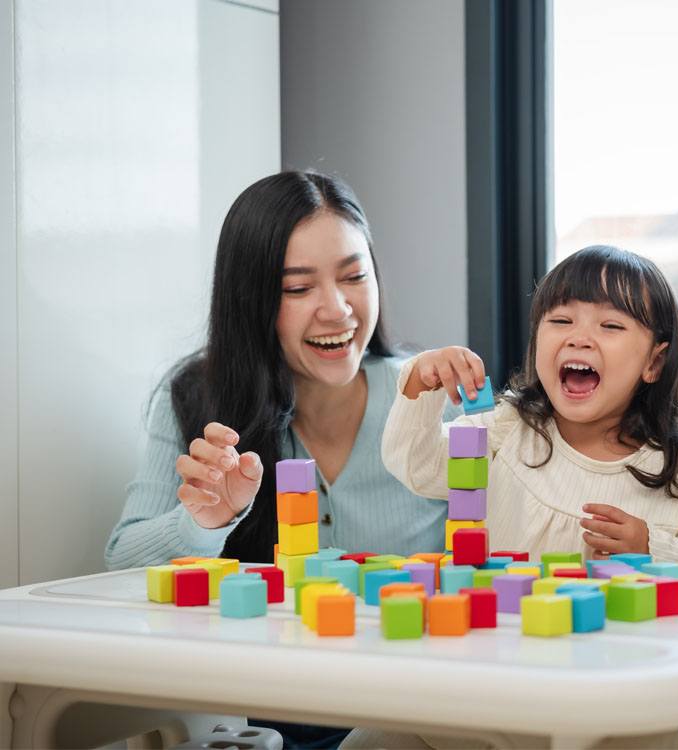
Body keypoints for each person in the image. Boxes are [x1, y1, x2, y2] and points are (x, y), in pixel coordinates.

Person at [105, 170, 454, 749]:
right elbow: (122, 562)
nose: (337, 310)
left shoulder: (430, 400)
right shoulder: (195, 398)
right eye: (298, 289)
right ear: (253, 301)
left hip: (410, 711)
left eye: (354, 276)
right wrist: (204, 522)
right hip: (256, 718)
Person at [341, 245, 678, 750]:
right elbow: (418, 468)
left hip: (610, 699)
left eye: (610, 327)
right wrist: (420, 384)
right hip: (484, 682)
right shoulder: (508, 430)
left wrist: (650, 547)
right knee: (370, 738)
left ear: (654, 362)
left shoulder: (676, 478)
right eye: (561, 319)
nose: (580, 337)